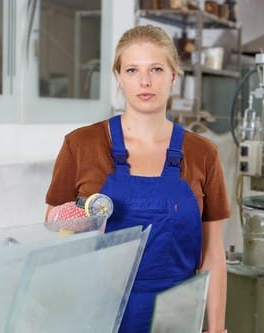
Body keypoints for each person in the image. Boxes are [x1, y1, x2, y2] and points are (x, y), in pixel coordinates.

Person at [45, 25, 230, 333]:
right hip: (98, 314)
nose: (145, 81)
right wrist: (79, 220)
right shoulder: (81, 145)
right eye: (132, 70)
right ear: (119, 77)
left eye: (156, 69)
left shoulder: (202, 153)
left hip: (177, 317)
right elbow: (54, 227)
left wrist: (216, 329)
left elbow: (213, 254)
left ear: (173, 76)